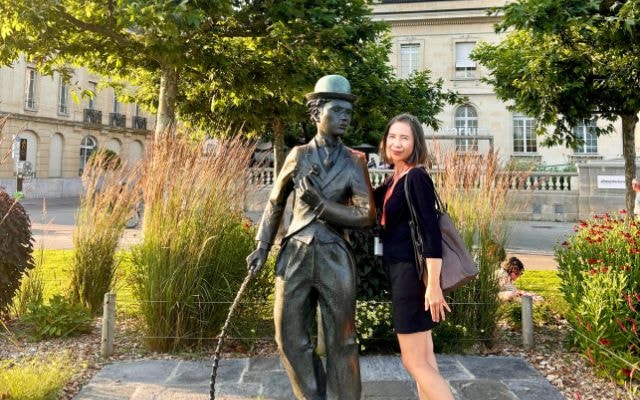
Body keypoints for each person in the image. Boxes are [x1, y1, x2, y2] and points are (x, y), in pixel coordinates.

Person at [246, 75, 375, 400]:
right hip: (295, 255)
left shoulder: (354, 161)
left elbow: (365, 214)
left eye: (348, 112)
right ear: (317, 113)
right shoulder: (298, 155)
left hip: (335, 255)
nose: (346, 117)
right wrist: (262, 246)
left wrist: (322, 205)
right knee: (288, 337)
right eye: (337, 110)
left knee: (342, 341)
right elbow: (275, 202)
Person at [373, 113, 454, 400]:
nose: (397, 143)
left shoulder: (417, 177)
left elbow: (430, 233)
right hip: (403, 274)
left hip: (411, 276)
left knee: (413, 361)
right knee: (425, 359)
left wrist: (433, 285)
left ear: (415, 142)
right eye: (392, 137)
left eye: (404, 138)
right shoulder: (394, 180)